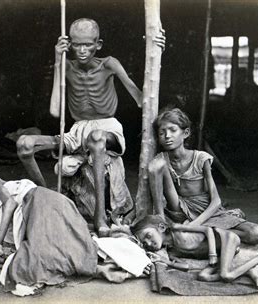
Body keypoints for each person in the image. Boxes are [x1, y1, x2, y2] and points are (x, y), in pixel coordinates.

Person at [16, 18, 165, 236]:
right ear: (70, 44)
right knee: (24, 144)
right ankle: (47, 196)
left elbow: (141, 98)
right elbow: (55, 111)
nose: (82, 50)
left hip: (107, 128)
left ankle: (100, 217)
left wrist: (157, 49)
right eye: (77, 44)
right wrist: (59, 60)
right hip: (77, 130)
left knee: (96, 137)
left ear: (99, 44)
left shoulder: (109, 64)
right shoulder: (67, 66)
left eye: (88, 44)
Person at [147, 108, 258, 245]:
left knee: (256, 232)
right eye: (162, 132)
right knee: (157, 165)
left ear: (186, 133)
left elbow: (216, 201)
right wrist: (160, 222)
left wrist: (194, 225)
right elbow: (157, 192)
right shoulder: (161, 160)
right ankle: (200, 234)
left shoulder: (201, 158)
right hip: (179, 210)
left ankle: (204, 234)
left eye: (173, 130)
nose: (167, 135)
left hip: (206, 211)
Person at [132, 214, 258, 288]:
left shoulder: (178, 230)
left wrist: (211, 253)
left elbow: (208, 230)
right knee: (203, 276)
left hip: (227, 239)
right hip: (219, 253)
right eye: (145, 243)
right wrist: (164, 261)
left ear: (161, 227)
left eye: (148, 235)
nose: (148, 243)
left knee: (225, 275)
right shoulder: (172, 251)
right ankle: (248, 268)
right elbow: (186, 267)